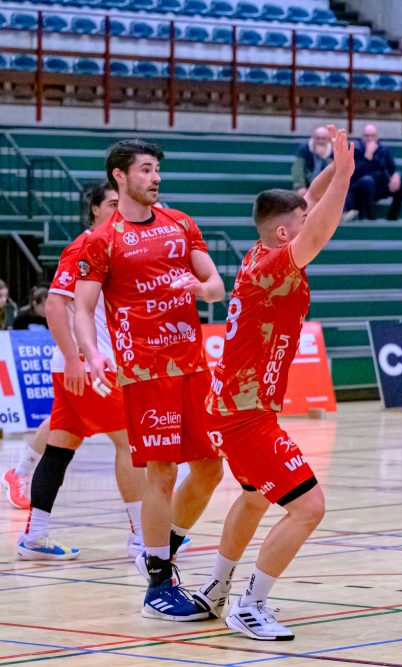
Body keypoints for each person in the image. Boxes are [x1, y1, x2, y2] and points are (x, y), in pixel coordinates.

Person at [193, 127, 354, 641]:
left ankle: (215, 589)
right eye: (300, 224)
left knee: (255, 497)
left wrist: (336, 162)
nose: (311, 221)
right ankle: (250, 605)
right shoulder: (272, 268)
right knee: (309, 506)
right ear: (285, 235)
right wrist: (347, 175)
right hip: (244, 413)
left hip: (236, 406)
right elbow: (318, 227)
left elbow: (308, 202)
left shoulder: (259, 252)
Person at [75, 139, 225, 621]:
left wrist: (202, 288)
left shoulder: (181, 223)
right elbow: (82, 307)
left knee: (210, 469)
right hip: (145, 372)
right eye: (145, 169)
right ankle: (159, 585)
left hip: (194, 366)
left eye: (157, 169)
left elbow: (216, 284)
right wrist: (92, 353)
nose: (154, 177)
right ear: (120, 176)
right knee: (161, 472)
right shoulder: (102, 240)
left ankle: (161, 552)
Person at [16, 182, 147, 561]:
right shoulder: (85, 245)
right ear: (93, 209)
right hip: (88, 367)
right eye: (111, 203)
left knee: (59, 449)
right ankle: (142, 535)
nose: (118, 209)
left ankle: (35, 537)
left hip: (88, 365)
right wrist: (75, 358)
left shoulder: (112, 248)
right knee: (130, 444)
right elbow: (56, 307)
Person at [346, 123, 402, 221]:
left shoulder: (382, 150)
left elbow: (393, 169)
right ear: (362, 137)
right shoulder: (355, 150)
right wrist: (367, 156)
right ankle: (370, 217)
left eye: (373, 136)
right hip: (359, 188)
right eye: (367, 136)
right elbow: (354, 175)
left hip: (378, 186)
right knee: (367, 181)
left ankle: (392, 217)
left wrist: (396, 175)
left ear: (377, 137)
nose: (370, 139)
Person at [291, 125, 333, 196]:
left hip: (326, 186)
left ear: (328, 139)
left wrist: (324, 158)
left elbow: (334, 171)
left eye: (323, 139)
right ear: (313, 138)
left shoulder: (333, 151)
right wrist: (300, 186)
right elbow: (297, 169)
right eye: (318, 138)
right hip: (307, 184)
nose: (320, 141)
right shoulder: (304, 148)